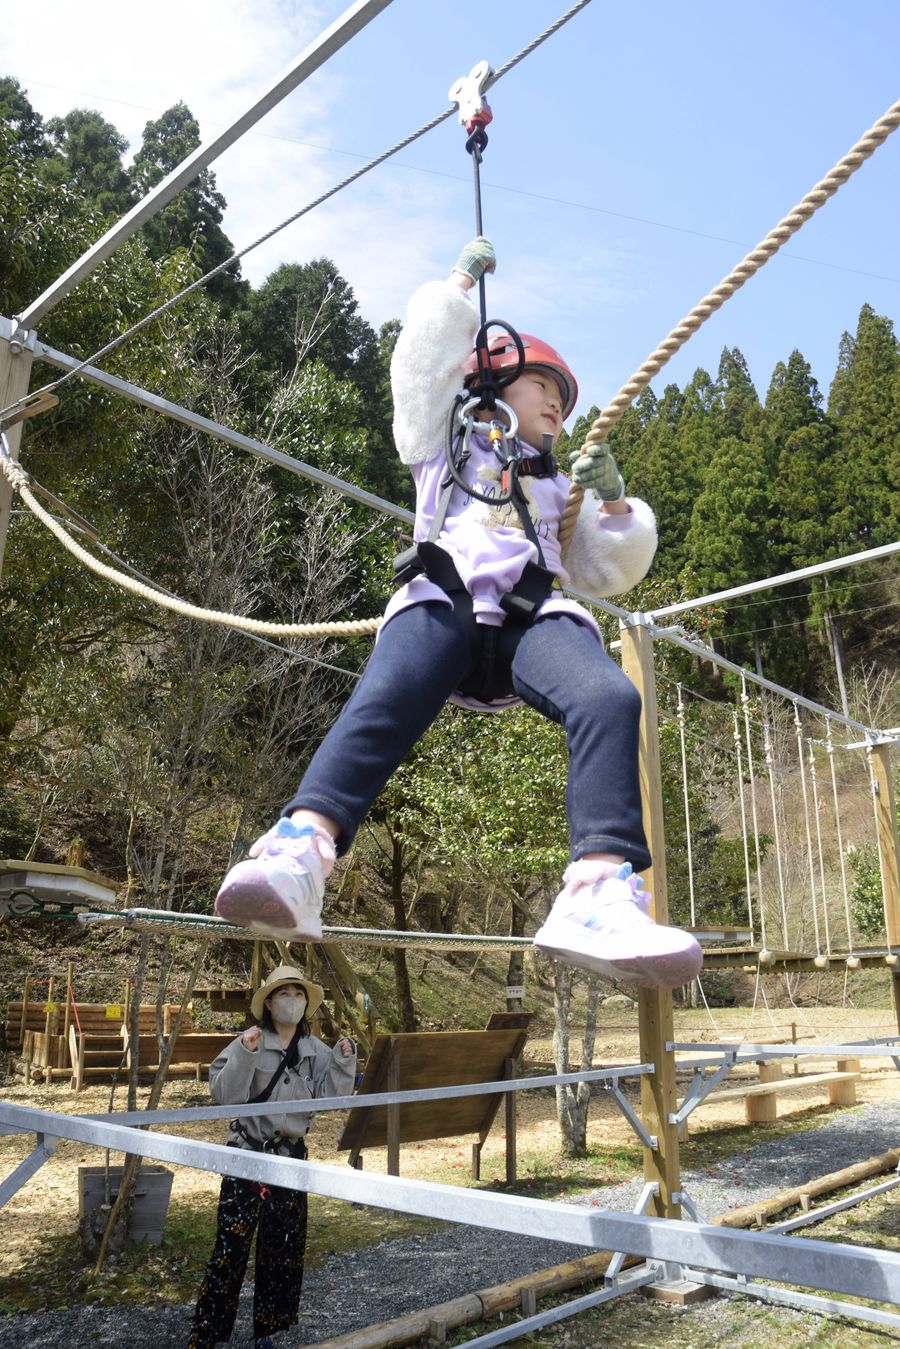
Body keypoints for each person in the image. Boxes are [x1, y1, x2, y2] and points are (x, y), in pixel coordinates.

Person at [215, 239, 702, 991]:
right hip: (443, 600)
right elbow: (423, 362)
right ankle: (302, 848)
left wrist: (610, 503)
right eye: (546, 389)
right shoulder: (442, 443)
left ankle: (600, 886)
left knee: (611, 696)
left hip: (526, 625)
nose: (557, 409)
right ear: (496, 385)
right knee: (387, 694)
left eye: (564, 403)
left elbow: (607, 570)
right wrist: (459, 286)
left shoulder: (554, 488)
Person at [188, 966, 356, 1349]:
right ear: (267, 1003)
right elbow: (224, 1096)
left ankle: (273, 1332)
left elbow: (334, 1100)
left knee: (283, 1250)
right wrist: (246, 1054)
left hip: (292, 1158)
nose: (292, 1001)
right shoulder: (248, 1041)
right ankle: (209, 1335)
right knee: (229, 1250)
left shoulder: (317, 1051)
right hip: (247, 1154)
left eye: (298, 994)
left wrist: (345, 1061)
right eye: (284, 994)